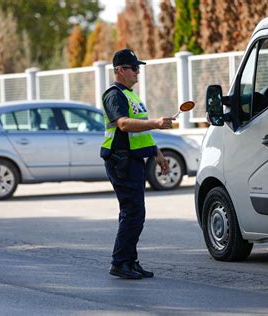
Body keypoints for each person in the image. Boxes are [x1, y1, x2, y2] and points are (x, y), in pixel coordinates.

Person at [101, 49, 174, 279]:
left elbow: (138, 130)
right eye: (134, 68)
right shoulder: (114, 95)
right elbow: (123, 125)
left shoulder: (130, 95)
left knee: (134, 212)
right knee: (133, 212)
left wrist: (156, 151)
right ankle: (120, 262)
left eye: (138, 68)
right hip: (120, 159)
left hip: (133, 159)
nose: (137, 72)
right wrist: (156, 123)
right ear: (120, 70)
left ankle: (130, 261)